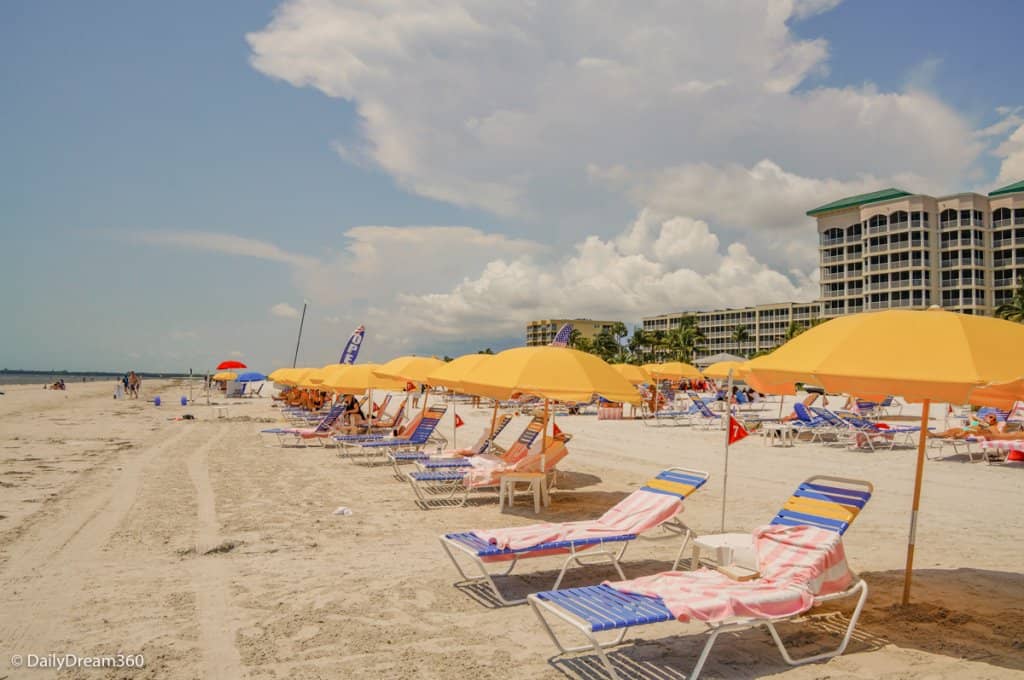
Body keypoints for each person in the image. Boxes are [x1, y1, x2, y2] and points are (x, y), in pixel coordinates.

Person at [929, 413, 999, 439]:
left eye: (991, 417)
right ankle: (933, 435)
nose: (989, 418)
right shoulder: (978, 422)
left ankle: (957, 436)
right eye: (988, 416)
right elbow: (970, 415)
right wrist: (981, 420)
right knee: (951, 430)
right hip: (966, 429)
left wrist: (985, 424)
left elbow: (994, 433)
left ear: (994, 421)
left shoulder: (990, 426)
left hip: (970, 433)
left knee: (967, 430)